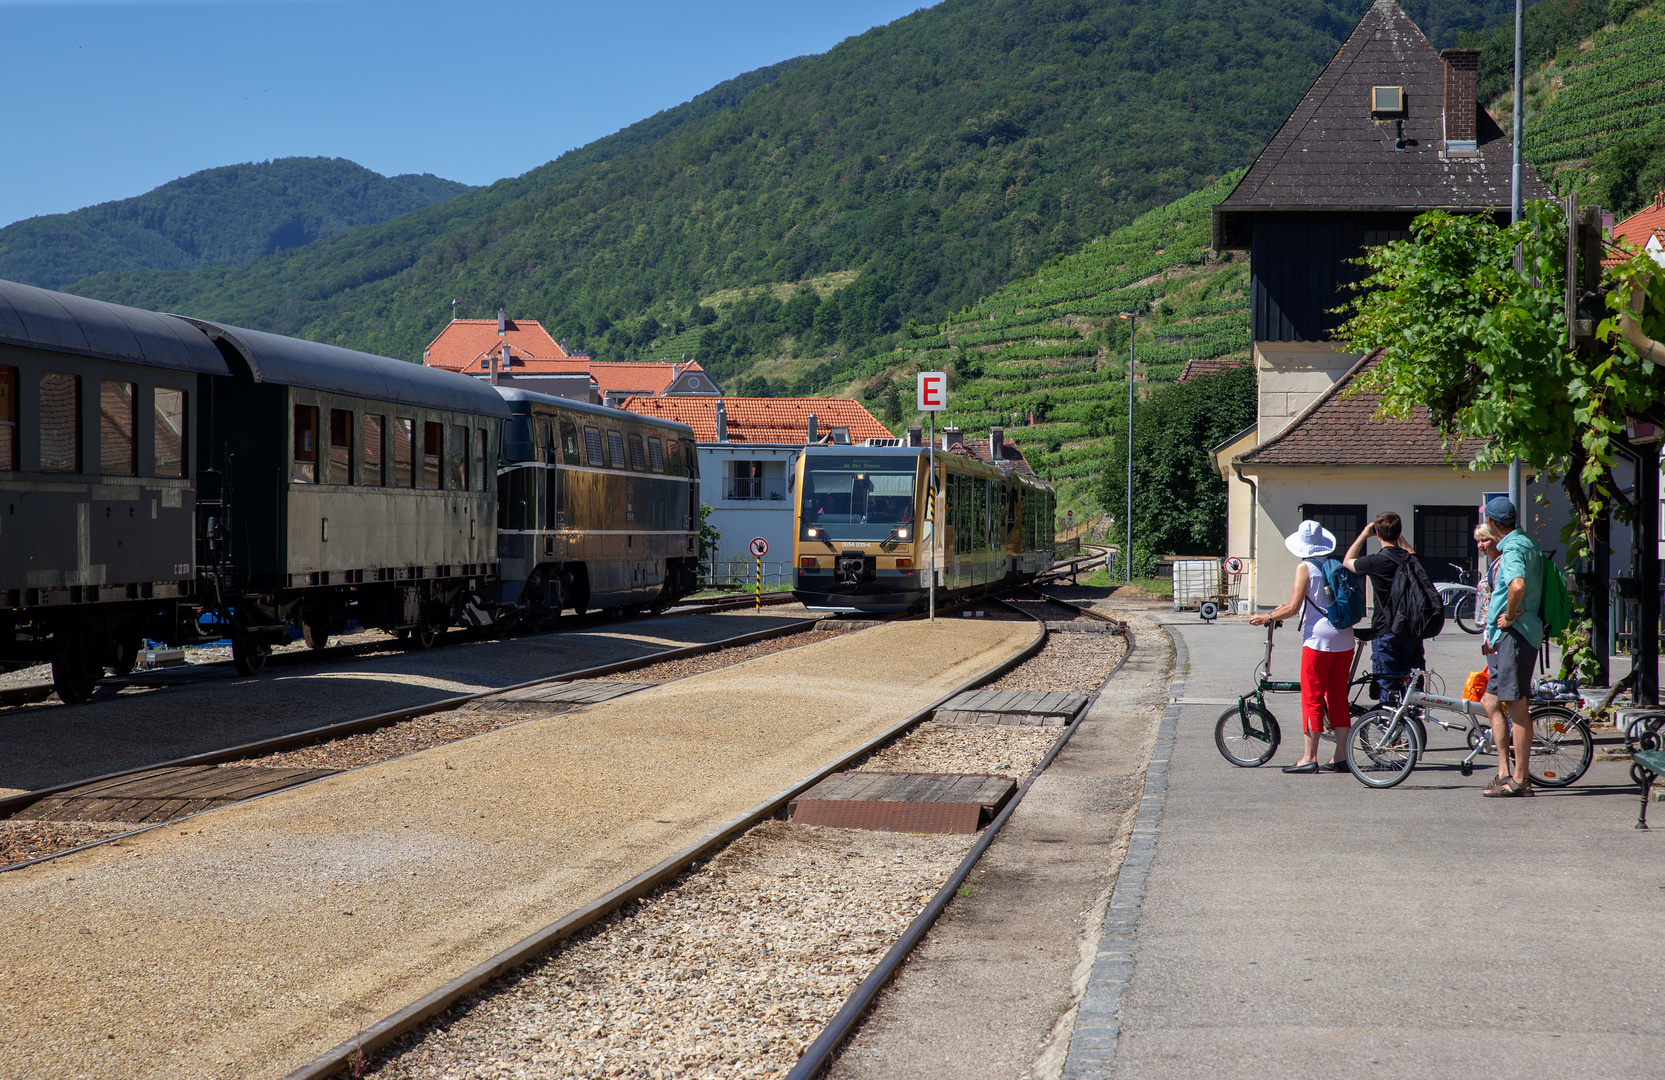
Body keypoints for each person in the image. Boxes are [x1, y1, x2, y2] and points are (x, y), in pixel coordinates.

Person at [1250, 521, 1354, 773]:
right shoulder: (1337, 565)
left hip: (1318, 642)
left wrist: (1268, 617)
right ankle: (1341, 756)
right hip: (1345, 639)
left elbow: (1293, 607)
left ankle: (1309, 757)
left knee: (1312, 698)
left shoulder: (1305, 567)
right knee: (1338, 698)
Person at [1481, 496, 1543, 798]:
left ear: (1492, 524)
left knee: (1516, 706)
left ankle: (1520, 779)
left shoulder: (1514, 548)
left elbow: (1517, 585)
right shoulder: (1525, 541)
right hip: (1508, 636)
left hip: (1516, 634)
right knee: (1491, 702)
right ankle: (1504, 771)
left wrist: (1510, 615)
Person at [1342, 512, 1424, 704]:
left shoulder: (1375, 561)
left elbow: (1347, 561)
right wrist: (1399, 537)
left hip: (1385, 630)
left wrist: (1364, 534)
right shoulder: (1412, 560)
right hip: (1412, 630)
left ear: (1377, 534)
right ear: (1399, 532)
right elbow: (1412, 553)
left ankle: (1388, 726)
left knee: (1387, 685)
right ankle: (1412, 725)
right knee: (1412, 685)